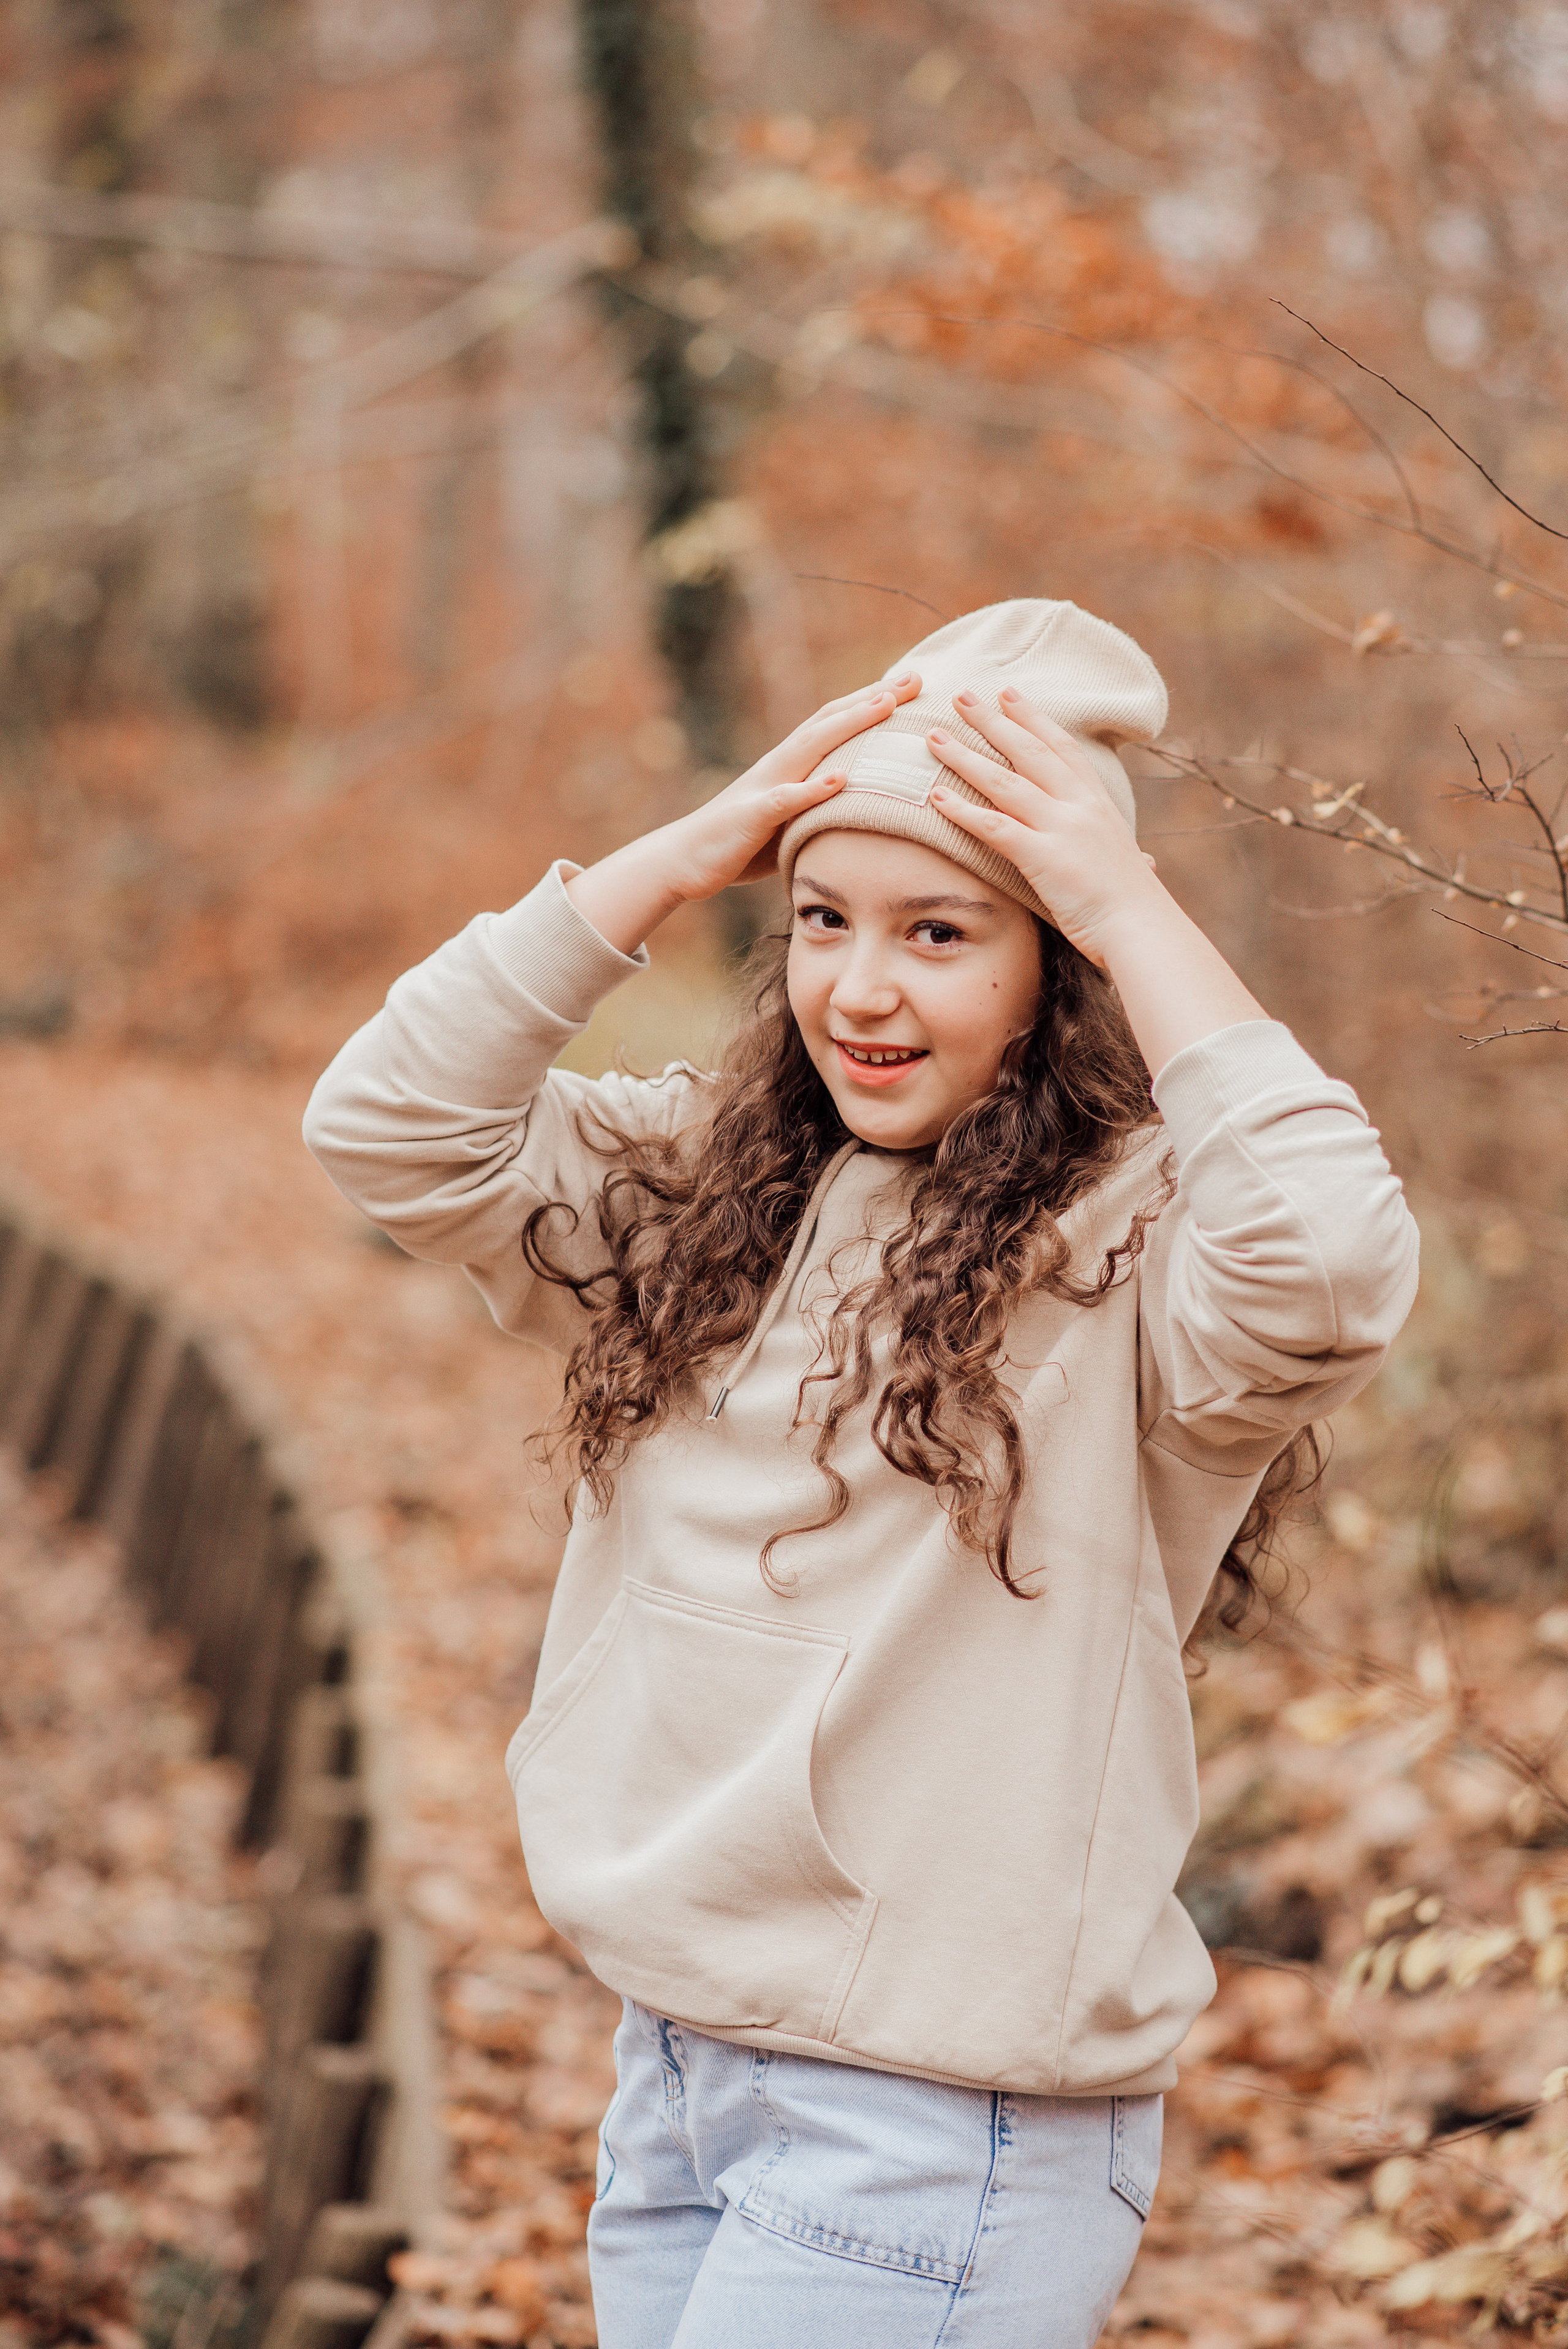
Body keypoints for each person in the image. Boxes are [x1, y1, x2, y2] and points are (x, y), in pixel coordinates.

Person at [304, 599, 1419, 2348]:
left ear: (1060, 967)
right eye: (823, 918)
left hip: (937, 2127)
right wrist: (688, 851)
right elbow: (389, 1124)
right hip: (681, 2067)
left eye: (942, 930)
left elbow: (1335, 1263)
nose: (861, 987)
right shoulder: (717, 1186)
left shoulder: (1142, 1250)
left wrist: (1130, 904)